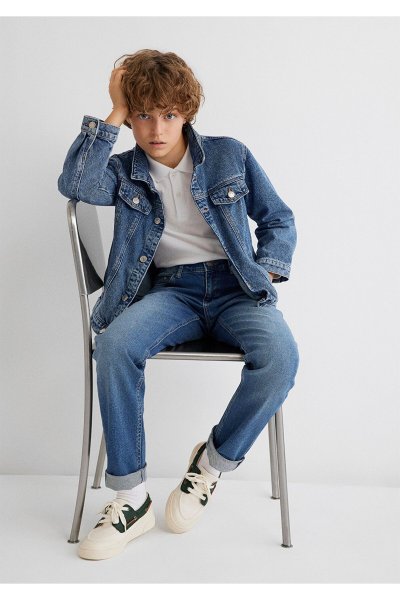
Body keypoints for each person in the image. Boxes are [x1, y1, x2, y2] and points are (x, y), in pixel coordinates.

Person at [57, 49, 300, 561]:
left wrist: (268, 269)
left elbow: (278, 218)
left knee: (280, 357)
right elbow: (75, 184)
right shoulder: (122, 171)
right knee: (115, 346)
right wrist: (115, 108)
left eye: (168, 114)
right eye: (143, 115)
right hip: (172, 293)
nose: (156, 129)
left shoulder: (230, 155)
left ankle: (209, 465)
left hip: (237, 289)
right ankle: (131, 499)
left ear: (187, 112)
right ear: (131, 118)